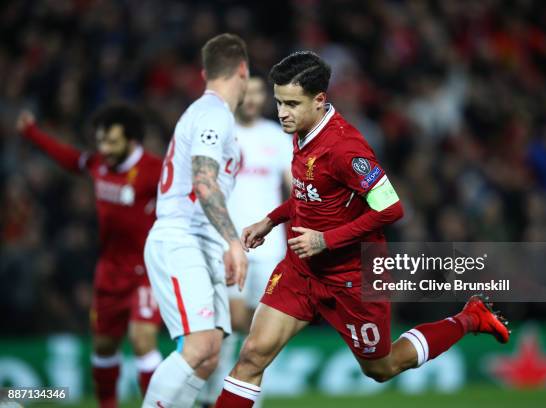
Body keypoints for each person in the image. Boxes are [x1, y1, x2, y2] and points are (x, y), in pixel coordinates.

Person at [215, 51, 511, 408]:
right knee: (252, 356)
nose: (282, 113)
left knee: (381, 367)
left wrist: (326, 240)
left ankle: (470, 318)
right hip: (302, 269)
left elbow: (392, 207)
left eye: (291, 104)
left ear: (320, 100)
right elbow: (311, 195)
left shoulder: (346, 149)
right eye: (279, 102)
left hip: (353, 276)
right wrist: (271, 219)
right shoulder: (301, 131)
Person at [16, 105, 163, 408]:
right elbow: (69, 159)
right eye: (101, 142)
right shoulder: (98, 165)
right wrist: (32, 132)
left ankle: (158, 404)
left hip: (147, 273)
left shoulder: (155, 171)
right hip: (110, 273)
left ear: (132, 140)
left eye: (111, 142)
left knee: (142, 341)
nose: (104, 149)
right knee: (104, 347)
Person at [142, 33, 249, 408]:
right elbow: (204, 182)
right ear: (243, 69)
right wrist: (234, 243)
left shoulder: (210, 115)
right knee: (199, 346)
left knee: (210, 355)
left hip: (201, 241)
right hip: (180, 237)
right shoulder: (213, 114)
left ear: (205, 72)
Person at [201, 76, 293, 407]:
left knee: (260, 332)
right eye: (247, 93)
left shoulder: (277, 136)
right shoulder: (221, 134)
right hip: (229, 245)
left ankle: (251, 399)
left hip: (271, 248)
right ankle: (213, 396)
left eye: (258, 94)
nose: (252, 100)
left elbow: (293, 188)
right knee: (230, 324)